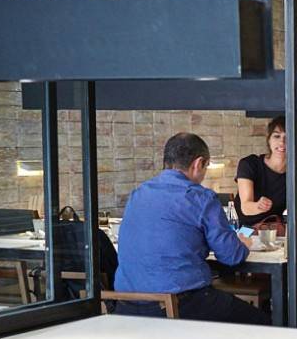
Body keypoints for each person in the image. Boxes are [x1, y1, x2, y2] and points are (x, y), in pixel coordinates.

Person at [113, 132, 267, 324]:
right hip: (177, 306)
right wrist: (242, 242)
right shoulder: (201, 198)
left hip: (126, 307)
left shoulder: (138, 193)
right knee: (261, 322)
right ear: (198, 163)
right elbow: (231, 256)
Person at [234, 115, 297, 227]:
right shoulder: (249, 164)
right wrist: (258, 206)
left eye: (289, 137)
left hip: (275, 233)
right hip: (245, 231)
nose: (282, 142)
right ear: (269, 140)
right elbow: (246, 207)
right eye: (276, 136)